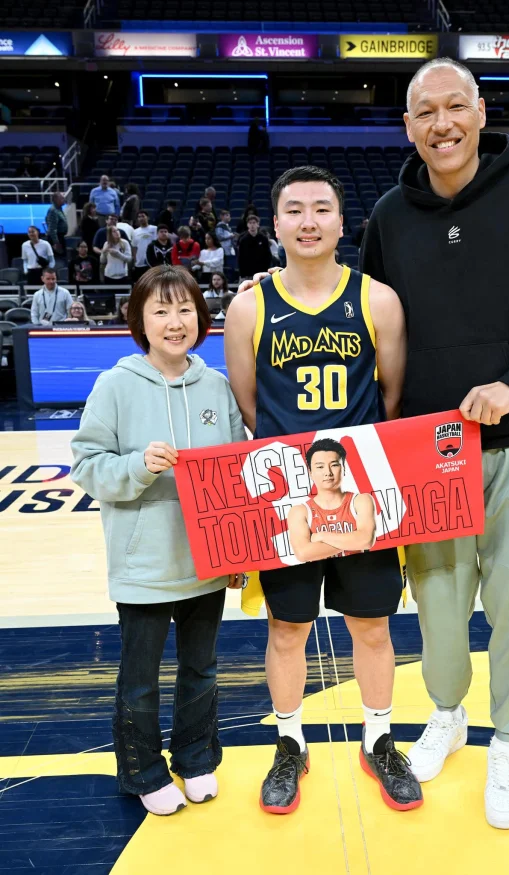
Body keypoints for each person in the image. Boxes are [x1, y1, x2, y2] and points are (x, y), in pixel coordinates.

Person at [358, 58, 509, 830]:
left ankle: (508, 739)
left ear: (482, 112)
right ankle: (449, 714)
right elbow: (373, 329)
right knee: (438, 605)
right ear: (408, 126)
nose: (443, 123)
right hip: (431, 452)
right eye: (426, 112)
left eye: (456, 106)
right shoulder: (389, 217)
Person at [226, 165, 421, 814]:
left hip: (360, 492)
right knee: (287, 627)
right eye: (294, 210)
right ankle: (290, 744)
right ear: (274, 223)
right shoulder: (249, 307)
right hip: (287, 499)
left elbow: (391, 398)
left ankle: (379, 740)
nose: (308, 221)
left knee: (372, 625)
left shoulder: (378, 300)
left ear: (342, 222)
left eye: (321, 209)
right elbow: (250, 408)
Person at [70, 265, 246, 817]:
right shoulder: (116, 384)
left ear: (201, 317)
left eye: (185, 309)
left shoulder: (216, 386)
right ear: (140, 321)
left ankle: (195, 758)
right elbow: (86, 465)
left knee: (201, 668)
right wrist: (137, 466)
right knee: (140, 680)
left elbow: (235, 477)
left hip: (207, 560)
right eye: (161, 310)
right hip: (143, 564)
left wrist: (238, 551)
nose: (175, 322)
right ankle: (143, 771)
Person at [131, 210, 158, 282]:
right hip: (140, 262)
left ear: (148, 217)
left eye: (143, 216)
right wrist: (135, 260)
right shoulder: (135, 232)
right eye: (139, 217)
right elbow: (134, 247)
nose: (141, 218)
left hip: (153, 262)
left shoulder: (155, 229)